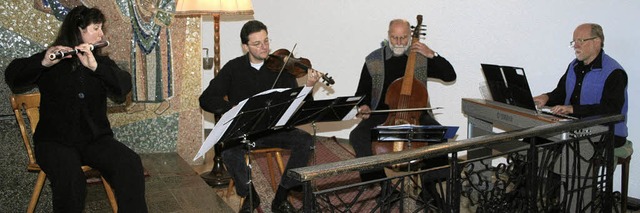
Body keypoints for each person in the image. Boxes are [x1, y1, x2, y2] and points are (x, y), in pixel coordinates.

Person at [4, 6, 147, 212]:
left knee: (130, 163)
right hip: (54, 142)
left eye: (101, 29)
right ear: (78, 30)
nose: (102, 34)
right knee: (72, 179)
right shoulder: (52, 61)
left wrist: (96, 67)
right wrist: (43, 61)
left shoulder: (101, 62)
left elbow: (123, 87)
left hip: (94, 140)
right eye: (96, 28)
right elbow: (13, 76)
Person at [199, 20, 322, 213]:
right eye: (257, 44)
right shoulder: (234, 68)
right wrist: (232, 108)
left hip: (274, 130)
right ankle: (249, 195)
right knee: (228, 151)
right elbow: (206, 99)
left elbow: (299, 106)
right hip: (245, 131)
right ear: (245, 46)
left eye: (266, 41)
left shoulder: (281, 67)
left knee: (305, 140)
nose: (264, 47)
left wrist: (308, 86)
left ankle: (281, 196)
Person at [350, 18, 456, 205]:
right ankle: (384, 188)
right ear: (388, 34)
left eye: (403, 38)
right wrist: (364, 107)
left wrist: (433, 54)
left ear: (410, 36)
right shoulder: (374, 59)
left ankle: (430, 190)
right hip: (383, 114)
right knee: (357, 136)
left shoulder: (421, 57)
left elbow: (450, 76)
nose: (398, 42)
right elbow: (361, 93)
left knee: (439, 137)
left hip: (417, 114)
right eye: (394, 37)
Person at [533, 23, 628, 148]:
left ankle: (549, 168)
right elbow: (562, 93)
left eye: (581, 41)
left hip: (608, 132)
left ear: (597, 42)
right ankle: (524, 167)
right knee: (533, 140)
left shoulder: (614, 72)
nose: (576, 46)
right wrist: (546, 98)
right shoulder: (574, 66)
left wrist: (573, 109)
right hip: (575, 126)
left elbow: (612, 110)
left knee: (567, 149)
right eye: (574, 41)